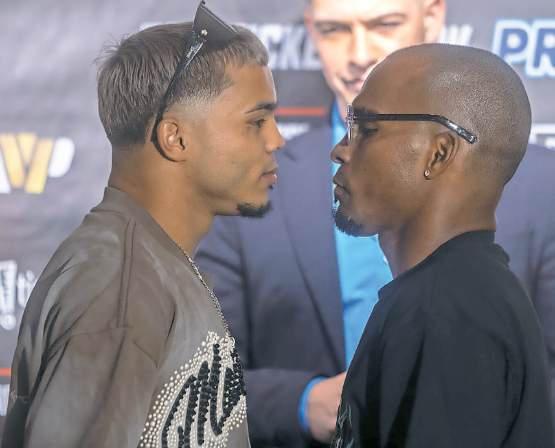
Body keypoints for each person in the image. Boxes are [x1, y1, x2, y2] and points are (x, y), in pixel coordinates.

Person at [196, 0, 555, 446]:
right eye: (335, 29)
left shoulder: (531, 196)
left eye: (385, 24)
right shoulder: (249, 185)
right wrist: (302, 402)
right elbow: (193, 379)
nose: (359, 53)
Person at [1, 2, 284, 446]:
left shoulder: (146, 264)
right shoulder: (121, 283)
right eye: (257, 122)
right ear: (176, 138)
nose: (277, 139)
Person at [330, 42, 554, 448]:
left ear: (439, 153)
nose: (340, 150)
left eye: (367, 128)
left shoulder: (446, 313)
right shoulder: (460, 295)